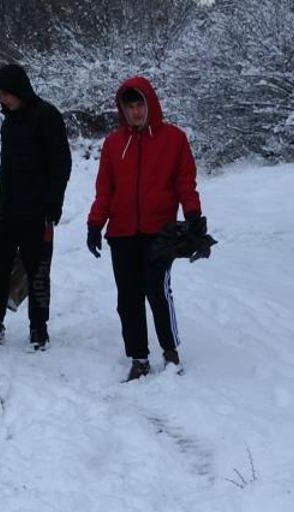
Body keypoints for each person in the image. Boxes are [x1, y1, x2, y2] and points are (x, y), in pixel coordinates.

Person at [85, 76, 203, 381]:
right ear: (121, 110)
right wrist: (95, 223)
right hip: (122, 233)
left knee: (157, 291)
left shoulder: (174, 139)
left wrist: (193, 216)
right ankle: (138, 358)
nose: (135, 112)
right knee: (128, 298)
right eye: (129, 107)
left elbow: (184, 183)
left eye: (140, 105)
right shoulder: (113, 144)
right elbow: (105, 190)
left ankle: (170, 350)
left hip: (159, 232)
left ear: (151, 104)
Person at [0, 64, 71, 350]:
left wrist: (53, 204)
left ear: (20, 90)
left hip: (38, 212)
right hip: (6, 209)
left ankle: (38, 328)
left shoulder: (47, 116)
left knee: (38, 271)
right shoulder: (9, 122)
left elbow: (61, 164)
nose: (2, 100)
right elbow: (7, 168)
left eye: (6, 93)